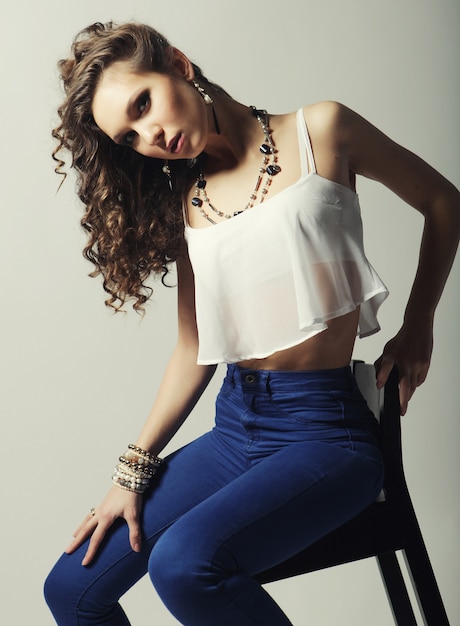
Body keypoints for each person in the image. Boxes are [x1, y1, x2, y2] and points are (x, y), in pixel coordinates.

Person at [44, 21, 459, 626]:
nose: (150, 135)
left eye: (143, 103)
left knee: (184, 564)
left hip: (325, 431)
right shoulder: (189, 202)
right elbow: (195, 351)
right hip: (237, 428)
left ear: (180, 65)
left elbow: (444, 201)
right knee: (73, 590)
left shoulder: (321, 130)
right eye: (130, 136)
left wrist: (419, 323)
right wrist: (131, 473)